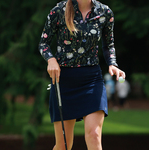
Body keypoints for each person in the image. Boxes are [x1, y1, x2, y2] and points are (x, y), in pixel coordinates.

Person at [38, 0, 125, 149]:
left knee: (94, 135)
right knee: (63, 145)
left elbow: (108, 44)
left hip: (91, 80)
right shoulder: (59, 10)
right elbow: (43, 43)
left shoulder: (105, 12)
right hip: (63, 81)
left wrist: (112, 63)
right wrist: (51, 60)